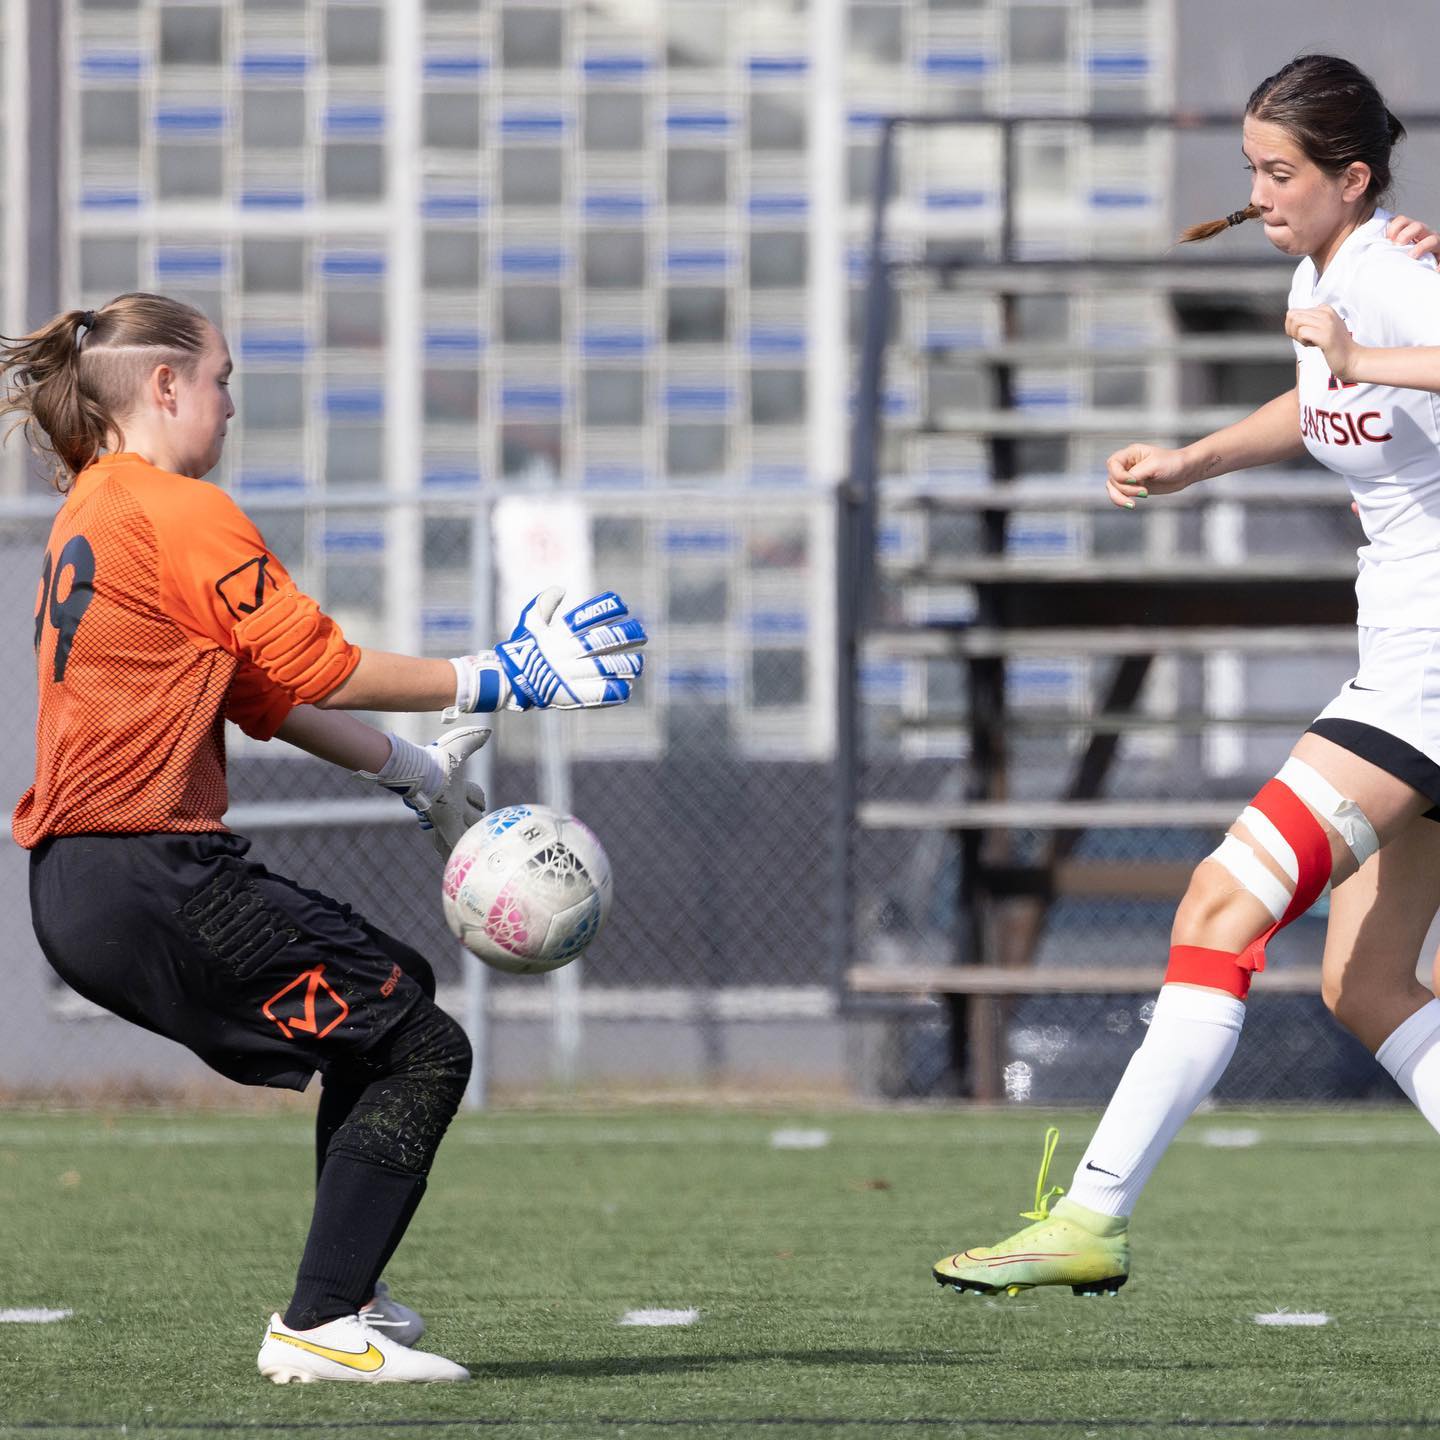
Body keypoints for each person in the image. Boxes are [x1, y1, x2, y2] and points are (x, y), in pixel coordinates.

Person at [5, 292, 647, 1379]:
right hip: (152, 870)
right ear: (164, 387)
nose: (230, 405)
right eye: (223, 379)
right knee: (424, 1047)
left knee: (388, 996)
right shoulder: (177, 509)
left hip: (81, 884)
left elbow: (257, 692)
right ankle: (319, 1324)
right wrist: (497, 675)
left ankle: (346, 1294)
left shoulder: (92, 511)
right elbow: (320, 663)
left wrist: (408, 766)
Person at [934, 55, 1440, 1299]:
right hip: (1409, 666)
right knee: (1365, 981)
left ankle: (1093, 1217)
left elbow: (1376, 369)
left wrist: (1369, 356)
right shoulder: (1329, 279)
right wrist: (1194, 459)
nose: (1260, 194)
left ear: (1353, 178)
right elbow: (1321, 402)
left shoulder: (1392, 274)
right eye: (1253, 172)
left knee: (1220, 906)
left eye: (1281, 173)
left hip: (1427, 678)